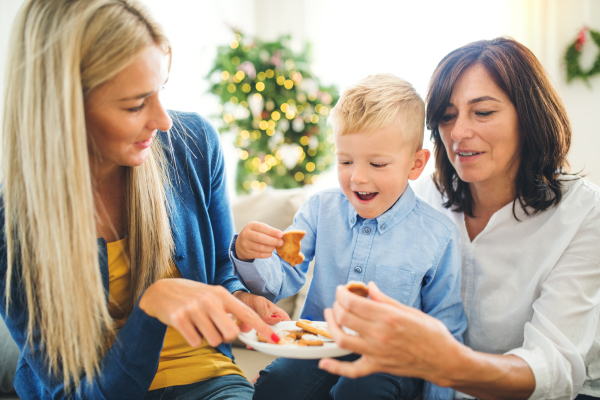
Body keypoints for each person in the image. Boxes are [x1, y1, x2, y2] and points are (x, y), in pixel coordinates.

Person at [0, 1, 289, 399]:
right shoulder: (11, 222)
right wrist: (151, 311)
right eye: (136, 104)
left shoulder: (194, 145)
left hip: (212, 383)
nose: (163, 120)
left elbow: (222, 266)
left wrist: (239, 297)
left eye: (161, 90)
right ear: (63, 110)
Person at [318, 37, 600, 400]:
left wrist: (449, 363)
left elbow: (556, 369)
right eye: (447, 117)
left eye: (482, 112)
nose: (458, 133)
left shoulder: (583, 212)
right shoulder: (423, 198)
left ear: (528, 117)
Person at [231, 74, 467, 400]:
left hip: (392, 361)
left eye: (377, 163)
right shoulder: (318, 210)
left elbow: (446, 328)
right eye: (345, 161)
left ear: (416, 164)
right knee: (275, 385)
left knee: (358, 390)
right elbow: (282, 277)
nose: (357, 177)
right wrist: (247, 254)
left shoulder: (438, 236)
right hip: (319, 347)